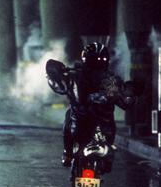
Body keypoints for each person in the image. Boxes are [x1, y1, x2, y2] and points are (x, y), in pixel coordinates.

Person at [46, 42, 137, 170]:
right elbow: (125, 102)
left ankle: (68, 153)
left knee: (69, 115)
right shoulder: (109, 80)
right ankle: (69, 152)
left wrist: (129, 93)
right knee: (70, 116)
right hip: (93, 125)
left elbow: (126, 101)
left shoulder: (106, 80)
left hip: (91, 125)